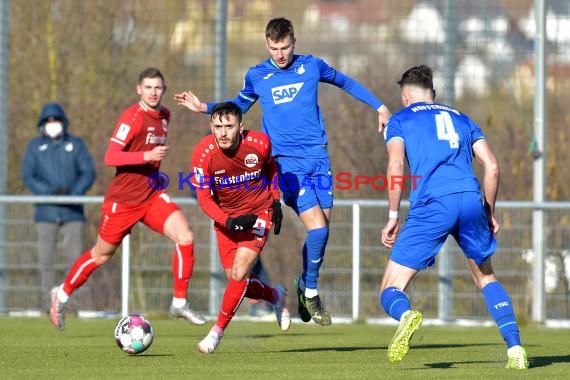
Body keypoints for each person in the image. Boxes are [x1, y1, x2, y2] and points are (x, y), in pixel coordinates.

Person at [175, 17, 391, 326]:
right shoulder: (257, 75)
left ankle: (304, 285)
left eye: (285, 47)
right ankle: (312, 292)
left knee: (323, 230)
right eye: (274, 48)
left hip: (319, 158)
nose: (280, 53)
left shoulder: (312, 66)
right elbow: (238, 106)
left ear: (294, 42)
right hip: (285, 163)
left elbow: (346, 82)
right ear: (267, 45)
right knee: (317, 228)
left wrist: (380, 107)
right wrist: (205, 108)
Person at [379, 65, 528, 369]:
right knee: (486, 277)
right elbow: (493, 167)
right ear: (433, 93)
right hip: (471, 199)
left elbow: (396, 167)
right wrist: (488, 211)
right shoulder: (462, 118)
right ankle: (515, 349)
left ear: (406, 96)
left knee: (390, 288)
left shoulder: (401, 119)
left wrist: (393, 214)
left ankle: (406, 315)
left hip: (432, 204)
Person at [49, 67, 206, 330]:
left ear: (164, 90)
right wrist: (145, 156)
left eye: (158, 87)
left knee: (186, 236)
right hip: (122, 201)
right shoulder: (132, 117)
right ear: (139, 89)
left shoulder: (165, 115)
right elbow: (111, 156)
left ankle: (179, 302)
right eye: (148, 87)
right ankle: (61, 295)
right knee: (101, 255)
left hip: (152, 195)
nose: (153, 92)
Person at [191, 101, 290, 354]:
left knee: (238, 274)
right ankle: (276, 296)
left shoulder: (259, 144)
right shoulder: (202, 154)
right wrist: (228, 221)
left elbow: (270, 167)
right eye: (218, 126)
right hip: (227, 221)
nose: (223, 132)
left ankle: (216, 333)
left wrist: (275, 201)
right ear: (211, 126)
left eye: (229, 126)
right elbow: (204, 198)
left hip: (259, 213)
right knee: (238, 281)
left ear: (241, 127)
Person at [22, 102, 96, 310]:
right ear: (42, 124)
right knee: (45, 262)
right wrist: (49, 192)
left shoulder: (76, 145)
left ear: (63, 122)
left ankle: (77, 305)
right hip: (45, 213)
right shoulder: (34, 147)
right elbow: (28, 176)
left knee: (77, 261)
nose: (52, 124)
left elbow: (88, 172)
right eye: (49, 121)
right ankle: (48, 305)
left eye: (56, 120)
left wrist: (72, 193)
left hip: (72, 213)